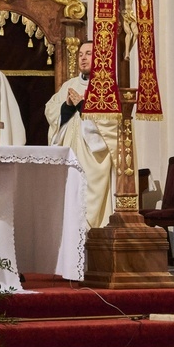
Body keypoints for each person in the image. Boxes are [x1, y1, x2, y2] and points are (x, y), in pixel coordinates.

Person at [45, 41, 118, 229]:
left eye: (89, 54)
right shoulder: (69, 85)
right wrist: (67, 106)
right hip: (70, 154)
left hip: (94, 157)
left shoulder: (106, 87)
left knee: (88, 200)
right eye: (80, 54)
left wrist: (82, 105)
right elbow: (50, 110)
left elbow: (111, 124)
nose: (83, 58)